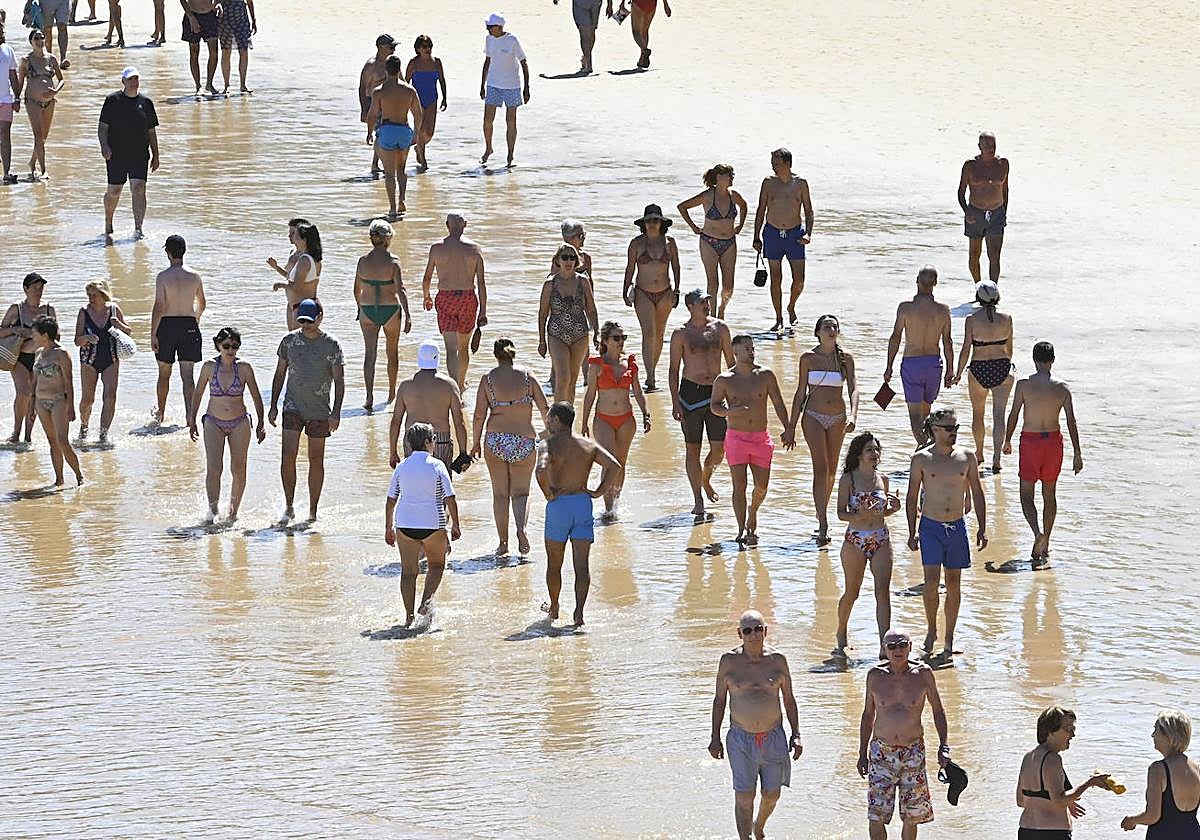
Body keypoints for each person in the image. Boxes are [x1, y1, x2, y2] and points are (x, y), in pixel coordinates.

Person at [708, 609, 803, 840]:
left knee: (772, 793)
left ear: (765, 631)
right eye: (748, 630)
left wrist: (796, 733)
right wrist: (714, 737)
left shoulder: (778, 660)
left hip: (773, 736)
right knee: (744, 794)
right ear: (739, 633)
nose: (753, 635)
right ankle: (745, 838)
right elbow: (719, 700)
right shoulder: (729, 661)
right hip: (741, 738)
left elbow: (789, 700)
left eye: (758, 629)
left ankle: (758, 825)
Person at [905, 407, 987, 663]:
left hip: (957, 526)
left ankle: (949, 639)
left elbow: (977, 491)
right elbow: (911, 496)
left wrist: (982, 527)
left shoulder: (967, 457)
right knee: (930, 583)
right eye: (949, 428)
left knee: (954, 584)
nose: (954, 433)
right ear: (935, 430)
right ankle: (931, 631)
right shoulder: (921, 459)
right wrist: (911, 530)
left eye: (956, 428)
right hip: (930, 526)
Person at [857, 629, 949, 840]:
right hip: (881, 752)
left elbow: (938, 710)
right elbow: (867, 715)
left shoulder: (923, 674)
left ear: (910, 646)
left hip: (913, 752)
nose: (897, 650)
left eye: (902, 645)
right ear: (884, 649)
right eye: (892, 646)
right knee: (876, 815)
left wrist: (943, 746)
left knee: (912, 816)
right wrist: (862, 753)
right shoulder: (874, 675)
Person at [535, 400, 621, 627]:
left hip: (559, 506)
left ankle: (554, 609)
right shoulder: (588, 444)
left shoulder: (548, 444)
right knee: (582, 565)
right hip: (583, 505)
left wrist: (548, 494)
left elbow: (541, 469)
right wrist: (598, 491)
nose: (546, 422)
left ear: (556, 420)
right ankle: (579, 614)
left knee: (555, 563)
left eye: (549, 418)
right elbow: (614, 466)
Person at [1002, 341, 1084, 569]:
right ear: (1053, 360)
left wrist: (1007, 440)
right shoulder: (1063, 389)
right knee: (1050, 494)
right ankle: (1046, 540)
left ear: (1034, 360)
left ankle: (1037, 532)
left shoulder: (1024, 385)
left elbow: (1014, 414)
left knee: (1026, 495)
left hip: (1030, 441)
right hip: (1053, 443)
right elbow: (1071, 421)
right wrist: (1077, 453)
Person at [783, 314, 859, 545]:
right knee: (821, 468)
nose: (831, 330)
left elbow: (854, 390)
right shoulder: (808, 358)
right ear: (817, 332)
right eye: (826, 327)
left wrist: (854, 415)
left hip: (837, 417)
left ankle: (821, 509)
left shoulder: (845, 359)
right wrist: (790, 426)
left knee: (833, 471)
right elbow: (799, 394)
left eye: (834, 327)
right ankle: (823, 523)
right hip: (813, 416)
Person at [471, 337, 550, 556]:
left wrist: (475, 443)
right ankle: (521, 531)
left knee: (500, 495)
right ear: (513, 353)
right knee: (521, 493)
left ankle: (503, 543)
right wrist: (547, 437)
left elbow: (479, 416)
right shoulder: (528, 377)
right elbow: (545, 409)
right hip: (524, 441)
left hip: (495, 440)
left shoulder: (487, 380)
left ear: (496, 355)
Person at [268, 299, 344, 524]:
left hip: (320, 411)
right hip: (292, 407)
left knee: (316, 460)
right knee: (287, 455)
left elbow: (339, 380)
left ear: (320, 316)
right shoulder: (289, 342)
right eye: (302, 321)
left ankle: (312, 512)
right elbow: (279, 374)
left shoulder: (331, 345)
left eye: (310, 321)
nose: (306, 325)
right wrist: (273, 405)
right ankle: (289, 506)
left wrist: (336, 412)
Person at [710, 334, 790, 546]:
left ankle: (753, 511)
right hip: (736, 437)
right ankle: (740, 528)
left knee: (761, 486)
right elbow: (715, 406)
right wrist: (729, 411)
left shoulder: (765, 375)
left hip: (760, 438)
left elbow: (779, 404)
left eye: (752, 348)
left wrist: (788, 428)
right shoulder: (725, 379)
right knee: (739, 485)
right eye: (746, 349)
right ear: (735, 353)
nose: (751, 351)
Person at [385, 422, 462, 627]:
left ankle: (408, 617)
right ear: (428, 442)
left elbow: (391, 499)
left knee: (408, 572)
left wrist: (388, 527)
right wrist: (456, 525)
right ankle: (426, 602)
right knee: (437, 565)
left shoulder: (402, 467)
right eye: (434, 439)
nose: (435, 443)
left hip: (405, 524)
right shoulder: (437, 465)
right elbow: (450, 497)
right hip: (432, 524)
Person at [188, 327, 266, 523]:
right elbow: (197, 394)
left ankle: (233, 513)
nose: (231, 350)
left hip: (239, 422)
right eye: (227, 346)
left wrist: (260, 423)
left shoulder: (245, 368)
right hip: (213, 421)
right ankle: (213, 511)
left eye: (235, 346)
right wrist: (192, 420)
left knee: (239, 469)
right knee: (214, 468)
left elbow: (256, 396)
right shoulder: (208, 367)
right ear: (218, 345)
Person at [834, 433, 901, 660]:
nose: (875, 454)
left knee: (883, 592)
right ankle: (841, 630)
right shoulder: (848, 480)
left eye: (876, 450)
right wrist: (857, 514)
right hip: (855, 539)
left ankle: (886, 645)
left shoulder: (883, 478)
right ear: (859, 455)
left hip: (881, 537)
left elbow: (885, 510)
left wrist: (893, 509)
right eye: (870, 450)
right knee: (852, 592)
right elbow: (840, 513)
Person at [668, 288, 733, 517]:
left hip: (716, 391)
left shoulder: (720, 328)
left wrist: (735, 395)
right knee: (692, 449)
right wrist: (675, 403)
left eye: (708, 301)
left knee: (719, 450)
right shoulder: (681, 334)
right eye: (702, 302)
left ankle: (706, 479)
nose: (707, 305)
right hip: (690, 394)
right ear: (690, 306)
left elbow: (731, 364)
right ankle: (698, 499)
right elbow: (674, 370)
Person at [581, 321, 650, 520]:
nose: (621, 342)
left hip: (626, 419)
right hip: (603, 419)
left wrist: (646, 412)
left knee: (621, 463)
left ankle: (616, 504)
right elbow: (590, 395)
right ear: (605, 340)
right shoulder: (597, 364)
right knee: (609, 461)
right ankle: (608, 507)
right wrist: (584, 421)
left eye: (623, 338)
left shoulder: (629, 363)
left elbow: (637, 391)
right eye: (616, 338)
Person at [882, 266, 953, 446]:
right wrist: (950, 370)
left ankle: (926, 449)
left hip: (912, 363)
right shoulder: (943, 310)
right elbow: (948, 342)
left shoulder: (905, 308)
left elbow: (895, 338)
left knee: (915, 415)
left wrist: (889, 366)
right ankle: (928, 448)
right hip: (934, 364)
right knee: (926, 412)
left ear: (917, 281)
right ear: (935, 283)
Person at [1016, 706, 1111, 839]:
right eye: (1068, 729)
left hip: (1026, 831)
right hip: (1052, 833)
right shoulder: (1052, 759)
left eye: (1073, 729)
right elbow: (1059, 801)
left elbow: (1021, 801)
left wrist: (1047, 801)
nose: (1072, 735)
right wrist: (1090, 783)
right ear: (1050, 732)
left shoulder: (1028, 757)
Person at [951, 280, 1013, 473]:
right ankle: (997, 458)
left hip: (978, 368)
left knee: (978, 414)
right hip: (1002, 367)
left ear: (978, 298)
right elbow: (1009, 350)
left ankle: (979, 453)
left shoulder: (971, 319)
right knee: (999, 415)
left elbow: (965, 350)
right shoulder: (1007, 318)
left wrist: (958, 373)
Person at [421, 213, 487, 390]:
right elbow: (481, 282)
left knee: (451, 349)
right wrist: (483, 311)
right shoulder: (474, 249)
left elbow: (427, 277)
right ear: (465, 225)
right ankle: (461, 383)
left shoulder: (436, 248)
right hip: (467, 298)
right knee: (464, 347)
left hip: (445, 297)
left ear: (446, 225)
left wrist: (426, 296)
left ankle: (454, 388)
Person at [751, 148, 814, 332]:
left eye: (776, 163)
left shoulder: (800, 183)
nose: (773, 166)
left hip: (795, 234)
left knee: (799, 280)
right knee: (775, 278)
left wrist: (808, 233)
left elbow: (809, 211)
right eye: (772, 162)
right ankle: (778, 318)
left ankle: (791, 306)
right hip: (772, 234)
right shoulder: (768, 183)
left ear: (787, 163)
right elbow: (761, 210)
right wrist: (756, 237)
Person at [677, 164, 748, 320]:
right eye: (729, 175)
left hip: (729, 242)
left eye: (732, 175)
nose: (732, 178)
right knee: (713, 281)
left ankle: (722, 309)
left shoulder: (733, 195)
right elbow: (682, 207)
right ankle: (714, 316)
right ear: (718, 177)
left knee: (728, 285)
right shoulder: (707, 195)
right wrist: (694, 227)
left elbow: (744, 206)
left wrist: (740, 225)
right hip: (709, 241)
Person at [354, 218, 411, 410]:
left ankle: (369, 396)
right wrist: (409, 315)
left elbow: (356, 290)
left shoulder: (362, 261)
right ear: (388, 239)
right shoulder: (393, 262)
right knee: (391, 352)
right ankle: (391, 393)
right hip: (390, 310)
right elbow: (400, 290)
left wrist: (359, 308)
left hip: (368, 309)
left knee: (369, 354)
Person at [622, 204, 680, 392]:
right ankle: (651, 377)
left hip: (665, 292)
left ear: (661, 223)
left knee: (660, 334)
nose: (652, 224)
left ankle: (651, 371)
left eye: (655, 220)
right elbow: (630, 268)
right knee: (649, 333)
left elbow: (676, 267)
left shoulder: (670, 242)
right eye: (649, 221)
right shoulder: (636, 244)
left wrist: (677, 290)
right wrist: (625, 289)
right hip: (643, 293)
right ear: (644, 223)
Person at [98, 67, 160, 244]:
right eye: (130, 79)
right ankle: (108, 224)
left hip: (140, 154)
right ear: (123, 81)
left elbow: (151, 130)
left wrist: (156, 154)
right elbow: (102, 128)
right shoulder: (112, 100)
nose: (134, 82)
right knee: (114, 191)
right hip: (116, 154)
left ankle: (138, 229)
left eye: (136, 79)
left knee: (139, 189)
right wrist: (104, 146)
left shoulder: (146, 103)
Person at [389, 340, 468, 474]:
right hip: (440, 439)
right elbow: (459, 422)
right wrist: (463, 452)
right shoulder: (449, 385)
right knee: (442, 484)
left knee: (415, 482)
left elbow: (396, 421)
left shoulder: (405, 385)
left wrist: (393, 451)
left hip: (412, 439)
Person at [151, 234, 205, 425]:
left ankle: (160, 414)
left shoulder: (163, 276)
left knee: (164, 373)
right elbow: (202, 303)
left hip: (167, 326)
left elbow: (159, 307)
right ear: (184, 251)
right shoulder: (195, 276)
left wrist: (153, 334)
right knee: (187, 376)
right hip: (188, 325)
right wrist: (195, 319)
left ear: (167, 252)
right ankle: (190, 418)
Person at [1122, 711, 1200, 836]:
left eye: (1156, 730)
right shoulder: (1196, 768)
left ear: (1168, 736)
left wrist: (1131, 820)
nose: (1152, 735)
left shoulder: (1158, 769)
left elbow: (1153, 816)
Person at [538, 243, 598, 405]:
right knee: (562, 377)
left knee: (572, 379)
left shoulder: (583, 281)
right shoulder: (550, 284)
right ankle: (557, 417)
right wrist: (542, 341)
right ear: (557, 260)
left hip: (580, 335)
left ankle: (567, 419)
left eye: (572, 258)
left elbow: (591, 309)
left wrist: (597, 333)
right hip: (556, 334)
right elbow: (543, 314)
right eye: (565, 257)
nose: (568, 261)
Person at [73, 279, 131, 444]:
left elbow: (129, 332)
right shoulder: (83, 312)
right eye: (89, 295)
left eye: (94, 295)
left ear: (103, 295)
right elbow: (76, 340)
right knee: (87, 400)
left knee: (110, 397)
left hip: (111, 359)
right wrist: (86, 338)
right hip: (88, 360)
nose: (91, 299)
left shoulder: (113, 309)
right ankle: (84, 428)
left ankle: (103, 435)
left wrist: (118, 324)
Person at [365, 55, 422, 219]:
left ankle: (392, 208)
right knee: (401, 169)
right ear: (399, 69)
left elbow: (373, 114)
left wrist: (369, 131)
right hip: (404, 130)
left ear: (386, 70)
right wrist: (416, 133)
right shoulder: (410, 90)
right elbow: (418, 113)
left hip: (388, 129)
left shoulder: (379, 91)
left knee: (389, 174)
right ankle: (402, 199)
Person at [2, 273, 55, 443]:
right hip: (19, 358)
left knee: (35, 397)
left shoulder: (48, 310)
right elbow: (1, 331)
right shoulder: (16, 309)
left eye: (41, 288)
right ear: (26, 289)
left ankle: (28, 436)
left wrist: (40, 335)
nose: (39, 291)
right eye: (35, 287)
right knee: (24, 392)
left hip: (41, 359)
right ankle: (16, 433)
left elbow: (58, 336)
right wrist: (15, 331)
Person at [30, 315, 83, 485]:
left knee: (62, 441)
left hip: (59, 400)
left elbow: (69, 381)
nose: (33, 337)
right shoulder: (38, 352)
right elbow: (34, 382)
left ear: (45, 335)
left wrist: (71, 407)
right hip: (40, 402)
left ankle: (79, 476)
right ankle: (59, 480)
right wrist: (31, 407)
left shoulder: (61, 353)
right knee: (52, 442)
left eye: (35, 333)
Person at [958, 131, 1009, 284]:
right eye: (986, 145)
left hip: (996, 214)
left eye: (993, 145)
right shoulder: (970, 166)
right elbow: (961, 192)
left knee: (994, 255)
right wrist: (966, 212)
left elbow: (1005, 190)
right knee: (974, 256)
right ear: (979, 146)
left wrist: (1004, 213)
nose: (990, 148)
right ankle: (978, 287)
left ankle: (992, 290)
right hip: (975, 214)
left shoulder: (1003, 164)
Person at [479, 13, 529, 168]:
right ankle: (488, 148)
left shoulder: (512, 40)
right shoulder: (489, 39)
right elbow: (487, 61)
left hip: (512, 85)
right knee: (487, 119)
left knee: (511, 121)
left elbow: (523, 62)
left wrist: (527, 87)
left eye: (490, 27)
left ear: (499, 27)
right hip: (493, 83)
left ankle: (510, 154)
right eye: (487, 27)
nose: (488, 30)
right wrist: (482, 84)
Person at [17, 30, 62, 182]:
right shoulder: (26, 60)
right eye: (36, 38)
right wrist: (16, 98)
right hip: (32, 102)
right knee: (38, 135)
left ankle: (32, 162)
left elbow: (61, 79)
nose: (40, 40)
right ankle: (43, 170)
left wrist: (55, 90)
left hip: (49, 102)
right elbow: (20, 81)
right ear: (31, 41)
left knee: (43, 137)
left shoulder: (51, 58)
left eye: (42, 38)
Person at [404, 35, 447, 169]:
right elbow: (406, 82)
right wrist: (405, 101)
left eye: (430, 46)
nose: (428, 49)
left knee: (429, 133)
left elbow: (442, 80)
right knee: (421, 129)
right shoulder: (414, 63)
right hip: (417, 100)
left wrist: (445, 97)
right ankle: (423, 161)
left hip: (432, 99)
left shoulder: (436, 62)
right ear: (418, 49)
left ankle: (417, 147)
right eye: (424, 46)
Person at [272, 221, 321, 330]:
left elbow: (297, 287)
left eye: (296, 235)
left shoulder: (305, 260)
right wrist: (276, 267)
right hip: (294, 305)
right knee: (293, 340)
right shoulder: (304, 257)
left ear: (304, 240)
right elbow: (292, 278)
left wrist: (280, 285)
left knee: (300, 343)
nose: (293, 237)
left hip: (303, 307)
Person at [359, 34, 396, 176]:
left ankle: (375, 164)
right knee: (381, 134)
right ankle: (381, 164)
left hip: (388, 103)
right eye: (391, 47)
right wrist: (364, 110)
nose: (393, 50)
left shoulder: (391, 63)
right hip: (373, 103)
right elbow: (362, 88)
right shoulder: (371, 66)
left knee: (383, 133)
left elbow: (402, 81)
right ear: (381, 47)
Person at [607, 0, 671, 69]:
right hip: (652, 4)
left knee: (636, 32)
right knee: (644, 31)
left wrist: (622, 2)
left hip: (639, 3)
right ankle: (642, 59)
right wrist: (666, 5)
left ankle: (644, 50)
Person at [181, 0, 220, 96]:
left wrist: (218, 4)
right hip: (193, 15)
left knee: (214, 52)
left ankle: (209, 84)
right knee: (194, 53)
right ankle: (198, 86)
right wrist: (191, 18)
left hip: (210, 16)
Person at [217, 0, 255, 94]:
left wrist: (253, 20)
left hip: (241, 17)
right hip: (224, 17)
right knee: (226, 50)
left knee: (244, 50)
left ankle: (243, 85)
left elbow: (250, 2)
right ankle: (226, 86)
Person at [553, 0, 601, 74]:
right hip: (594, 3)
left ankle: (587, 60)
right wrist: (610, 4)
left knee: (586, 32)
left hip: (583, 3)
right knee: (589, 31)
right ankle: (588, 61)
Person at [265, 216, 308, 289]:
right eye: (289, 232)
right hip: (293, 297)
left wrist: (281, 285)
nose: (289, 236)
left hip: (303, 297)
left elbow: (302, 283)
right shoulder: (293, 252)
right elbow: (289, 276)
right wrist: (276, 267)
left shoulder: (307, 256)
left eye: (293, 233)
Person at [1, 17, 18, 185]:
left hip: (6, 99)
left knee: (5, 134)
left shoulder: (8, 50)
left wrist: (18, 96)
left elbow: (13, 75)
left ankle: (6, 172)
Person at [40, 0, 71, 70]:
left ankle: (63, 58)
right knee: (47, 30)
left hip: (63, 2)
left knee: (63, 27)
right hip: (45, 3)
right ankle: (49, 58)